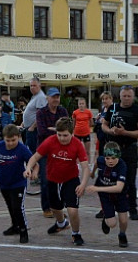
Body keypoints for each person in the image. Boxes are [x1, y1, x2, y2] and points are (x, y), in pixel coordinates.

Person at [24, 117, 89, 245]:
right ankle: (61, 223)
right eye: (59, 135)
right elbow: (35, 156)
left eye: (65, 135)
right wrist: (28, 168)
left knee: (72, 210)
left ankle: (76, 233)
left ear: (72, 133)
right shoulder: (50, 141)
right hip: (52, 180)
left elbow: (85, 167)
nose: (62, 138)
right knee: (55, 208)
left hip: (70, 180)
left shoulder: (77, 144)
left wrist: (83, 184)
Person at [98, 85, 138, 221]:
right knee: (109, 179)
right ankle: (106, 208)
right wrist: (110, 131)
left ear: (133, 97)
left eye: (129, 96)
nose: (126, 98)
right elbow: (104, 125)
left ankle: (132, 208)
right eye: (124, 96)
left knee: (129, 180)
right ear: (120, 96)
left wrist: (125, 133)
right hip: (114, 148)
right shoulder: (113, 108)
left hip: (129, 148)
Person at [0, 124, 33, 244]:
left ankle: (23, 230)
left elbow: (33, 161)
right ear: (4, 138)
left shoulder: (22, 149)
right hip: (5, 183)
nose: (10, 143)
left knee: (17, 207)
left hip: (19, 183)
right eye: (7, 140)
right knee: (10, 206)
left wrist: (31, 171)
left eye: (13, 140)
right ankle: (15, 226)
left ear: (19, 137)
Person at [85, 142, 130, 247]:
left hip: (120, 195)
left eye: (113, 158)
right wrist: (92, 173)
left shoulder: (122, 166)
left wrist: (96, 188)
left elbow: (119, 188)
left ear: (118, 156)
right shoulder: (101, 160)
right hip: (105, 195)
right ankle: (106, 219)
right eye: (108, 158)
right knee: (112, 224)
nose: (110, 161)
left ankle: (122, 234)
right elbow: (97, 163)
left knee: (123, 219)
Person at [35, 88, 69, 218]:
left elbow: (67, 128)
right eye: (53, 97)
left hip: (60, 150)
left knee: (59, 181)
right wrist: (58, 131)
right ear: (47, 98)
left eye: (57, 97)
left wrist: (54, 130)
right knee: (45, 180)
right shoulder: (41, 112)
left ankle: (58, 208)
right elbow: (42, 132)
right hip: (45, 151)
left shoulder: (62, 111)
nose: (56, 99)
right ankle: (46, 207)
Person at [21, 78, 47, 156]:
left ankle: (34, 167)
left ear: (39, 86)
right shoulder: (35, 96)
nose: (32, 87)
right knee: (29, 150)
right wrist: (23, 123)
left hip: (34, 130)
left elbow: (41, 115)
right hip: (29, 128)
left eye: (34, 85)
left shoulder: (40, 97)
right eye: (31, 86)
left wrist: (32, 127)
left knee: (32, 152)